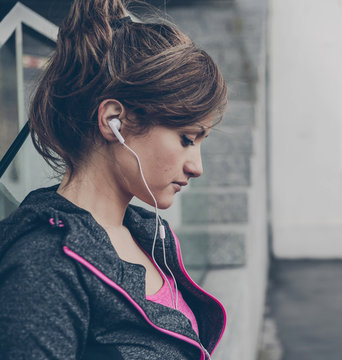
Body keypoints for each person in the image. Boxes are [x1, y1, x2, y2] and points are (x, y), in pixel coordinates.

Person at [0, 0, 227, 358]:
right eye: (186, 138)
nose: (196, 166)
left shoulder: (147, 236)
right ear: (113, 121)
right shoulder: (45, 265)